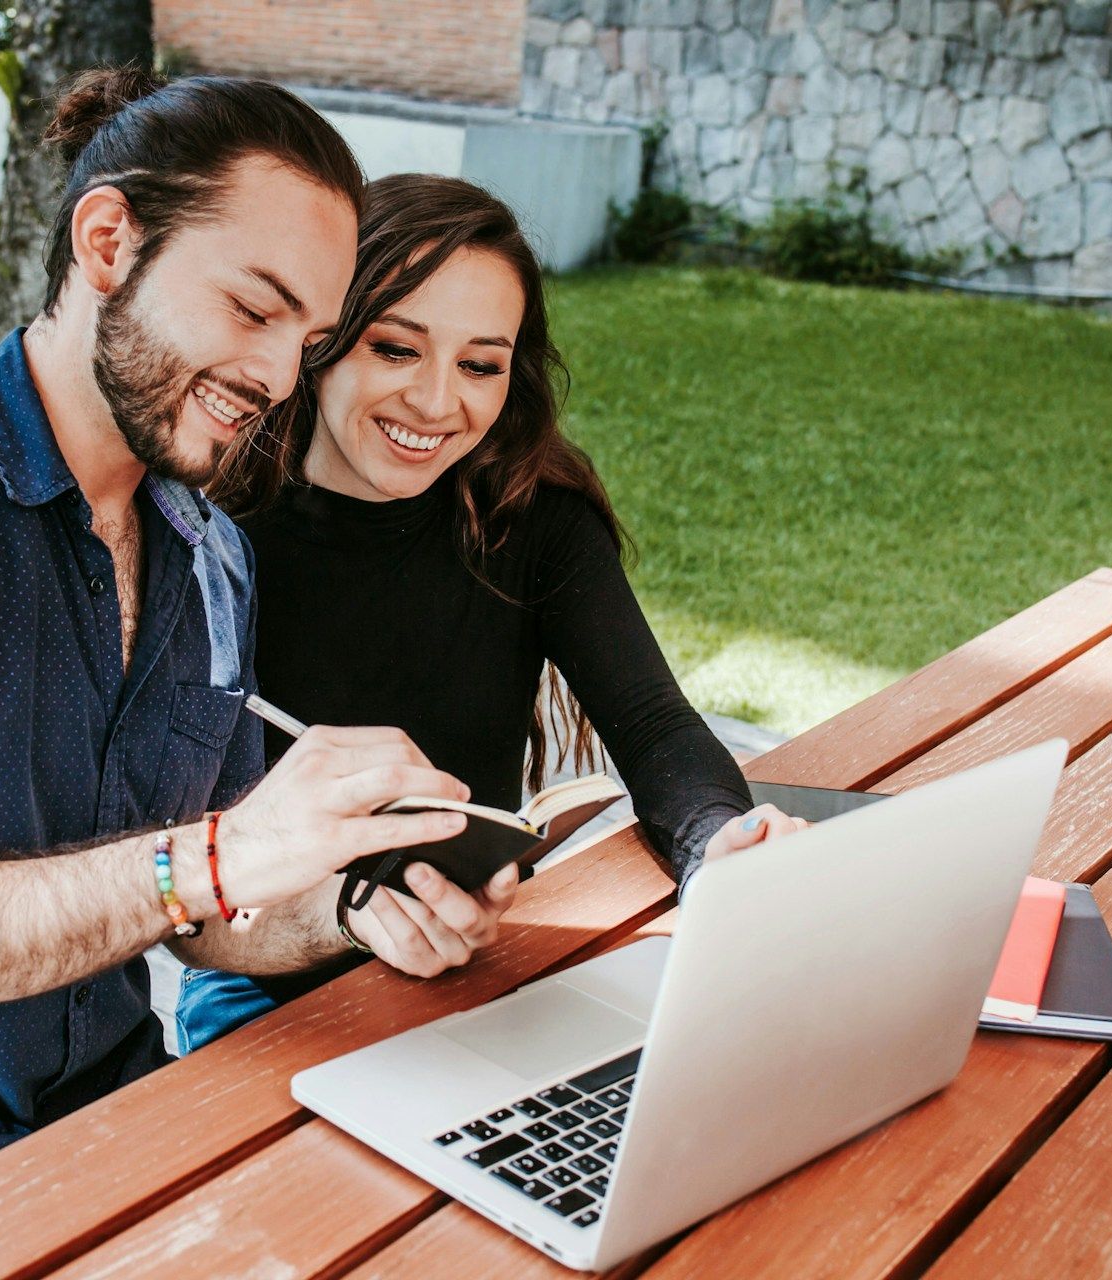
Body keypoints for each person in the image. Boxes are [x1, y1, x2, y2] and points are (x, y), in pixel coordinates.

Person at [0, 73, 519, 1278]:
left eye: (307, 341)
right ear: (107, 240)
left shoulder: (211, 550)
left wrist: (347, 903)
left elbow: (200, 927)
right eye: (253, 307)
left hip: (121, 1124)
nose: (280, 380)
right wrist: (221, 855)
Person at [177, 175, 795, 1051]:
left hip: (484, 962)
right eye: (395, 349)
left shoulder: (529, 514)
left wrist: (715, 845)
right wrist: (345, 915)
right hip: (264, 990)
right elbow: (176, 878)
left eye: (480, 364)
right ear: (321, 342)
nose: (437, 403)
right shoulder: (211, 532)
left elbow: (653, 726)